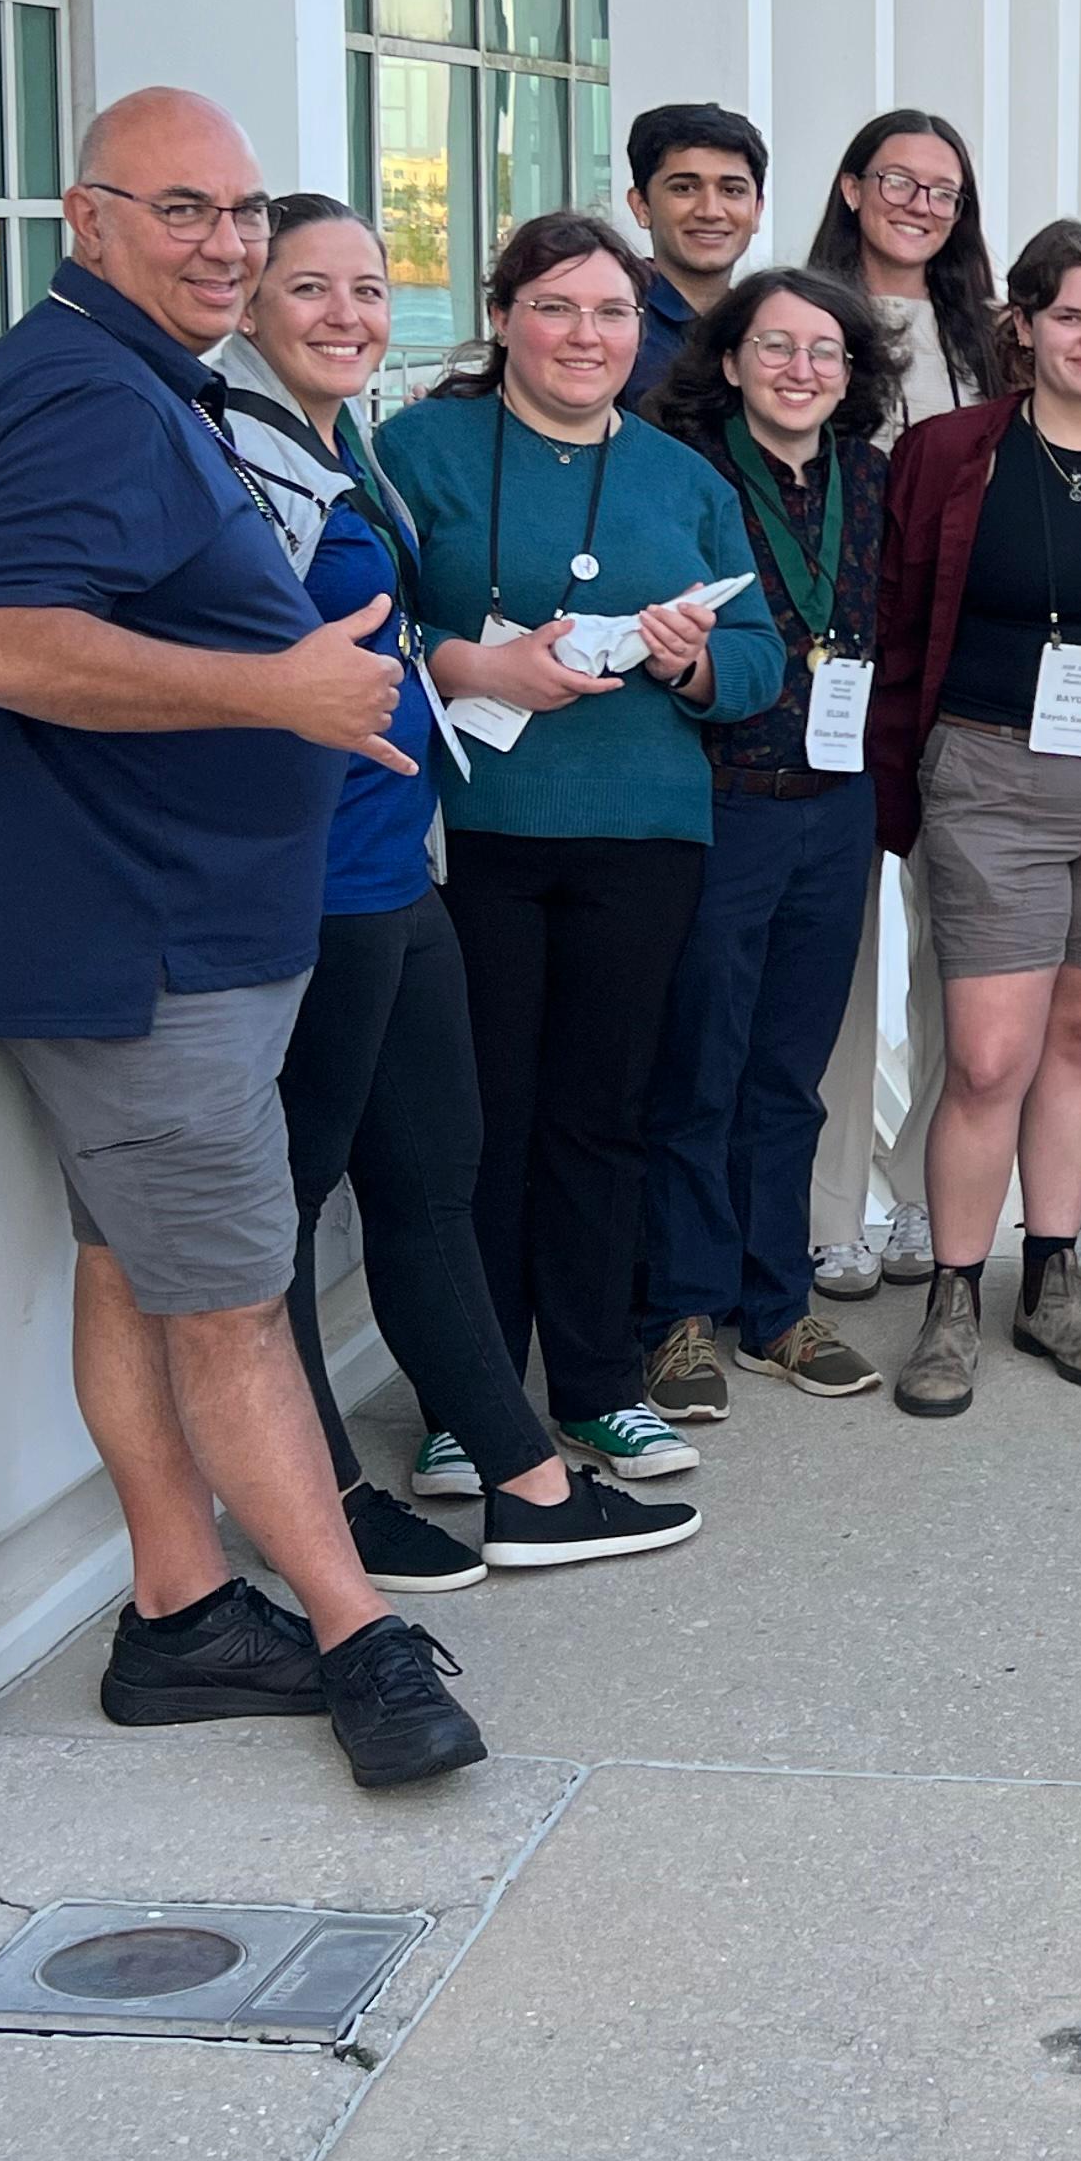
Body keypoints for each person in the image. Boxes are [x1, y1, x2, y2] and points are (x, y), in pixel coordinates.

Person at [0, 86, 485, 1786]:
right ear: (82, 219)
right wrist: (280, 688)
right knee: (239, 1299)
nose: (227, 242)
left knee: (137, 1262)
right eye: (182, 209)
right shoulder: (82, 396)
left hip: (176, 936)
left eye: (240, 211)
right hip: (145, 950)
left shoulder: (137, 379)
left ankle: (178, 1605)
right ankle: (355, 1632)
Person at [222, 199, 703, 1589]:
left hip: (391, 859)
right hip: (310, 879)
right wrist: (475, 671)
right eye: (309, 288)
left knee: (428, 1180)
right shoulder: (254, 451)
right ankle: (333, 1501)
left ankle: (529, 1482)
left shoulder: (343, 440)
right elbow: (273, 661)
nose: (347, 315)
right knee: (306, 1204)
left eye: (368, 289)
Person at [377, 214, 785, 1492]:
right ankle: (474, 1399)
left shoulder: (684, 479)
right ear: (504, 317)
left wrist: (694, 659)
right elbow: (371, 620)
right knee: (481, 1120)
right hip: (479, 833)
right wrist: (472, 662)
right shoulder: (419, 450)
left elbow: (761, 656)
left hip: (645, 833)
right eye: (558, 307)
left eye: (611, 312)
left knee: (603, 1116)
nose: (586, 336)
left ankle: (600, 1386)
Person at [866, 221, 1081, 1417]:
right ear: (1023, 323)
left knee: (1079, 1041)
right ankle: (953, 1300)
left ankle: (1050, 1283)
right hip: (994, 772)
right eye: (1068, 315)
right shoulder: (951, 453)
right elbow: (903, 610)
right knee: (988, 1057)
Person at [632, 268, 899, 1419]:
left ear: (851, 375)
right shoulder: (682, 480)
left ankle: (776, 1306)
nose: (802, 369)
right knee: (700, 1061)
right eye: (777, 348)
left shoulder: (876, 482)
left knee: (790, 1070)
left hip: (836, 805)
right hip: (721, 800)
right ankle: (680, 1315)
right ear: (730, 361)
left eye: (825, 352)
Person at [805, 109, 998, 1296]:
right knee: (843, 951)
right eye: (899, 182)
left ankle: (935, 1195)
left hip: (959, 669)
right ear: (852, 186)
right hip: (837, 665)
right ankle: (835, 1207)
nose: (921, 205)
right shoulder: (806, 317)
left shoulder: (989, 339)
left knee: (959, 948)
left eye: (945, 190)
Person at [622, 101, 767, 408]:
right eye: (685, 188)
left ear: (757, 211)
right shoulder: (614, 321)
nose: (710, 212)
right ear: (641, 206)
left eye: (732, 190)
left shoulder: (769, 327)